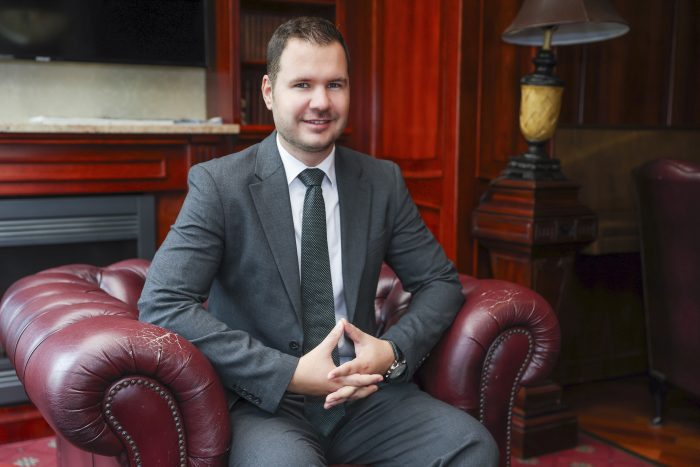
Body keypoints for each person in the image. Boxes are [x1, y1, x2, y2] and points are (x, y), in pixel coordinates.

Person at [138, 16, 498, 467]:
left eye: (335, 85)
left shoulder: (381, 182)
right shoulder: (220, 185)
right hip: (266, 404)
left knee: (473, 446)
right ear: (269, 92)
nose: (321, 102)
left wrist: (391, 351)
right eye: (303, 84)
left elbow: (440, 283)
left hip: (362, 396)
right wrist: (288, 373)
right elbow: (163, 302)